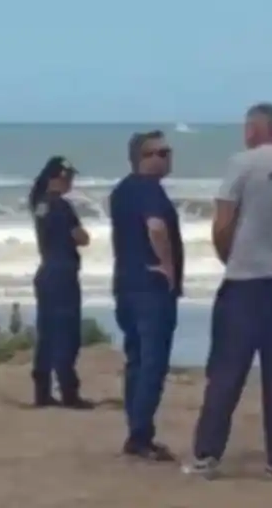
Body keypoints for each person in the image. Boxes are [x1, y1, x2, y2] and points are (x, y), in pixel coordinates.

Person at [184, 103, 272, 480]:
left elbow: (222, 222)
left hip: (245, 284)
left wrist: (231, 258)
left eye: (247, 126)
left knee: (227, 371)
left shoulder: (242, 164)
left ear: (255, 128)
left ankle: (207, 456)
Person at [110, 130, 183, 461]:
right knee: (152, 362)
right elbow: (156, 227)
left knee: (137, 359)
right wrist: (167, 265)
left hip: (126, 284)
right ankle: (140, 435)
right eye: (161, 152)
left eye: (168, 152)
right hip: (150, 288)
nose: (168, 158)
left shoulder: (122, 190)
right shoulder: (149, 189)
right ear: (144, 157)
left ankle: (137, 431)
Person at [28, 155, 93, 410]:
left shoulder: (39, 204)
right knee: (67, 334)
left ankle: (42, 391)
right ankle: (68, 391)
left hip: (46, 272)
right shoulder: (62, 207)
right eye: (70, 177)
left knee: (47, 334)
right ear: (61, 177)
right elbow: (82, 238)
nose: (72, 183)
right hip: (63, 273)